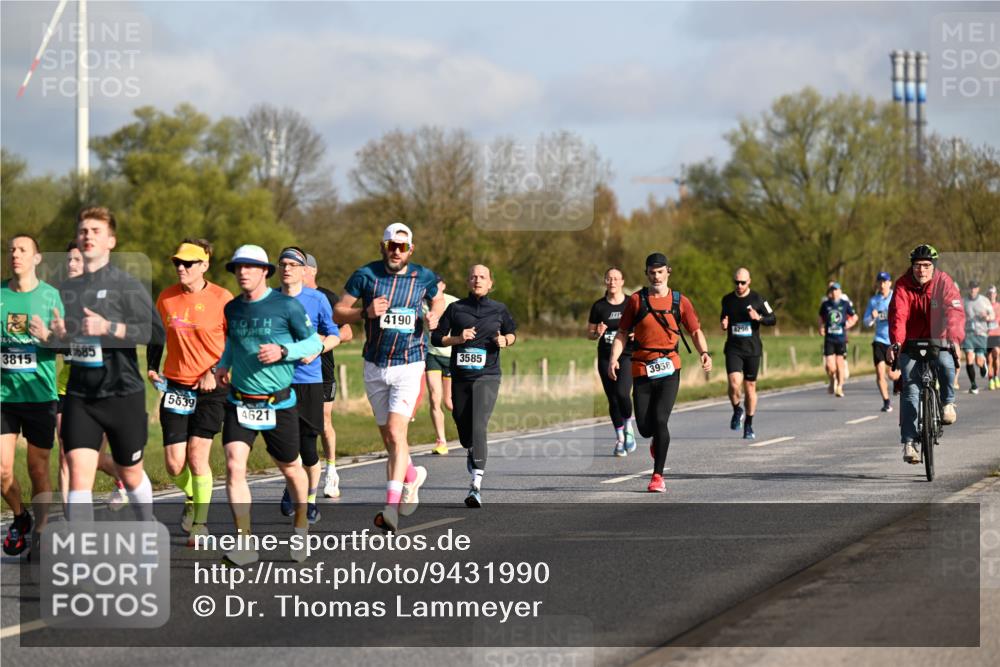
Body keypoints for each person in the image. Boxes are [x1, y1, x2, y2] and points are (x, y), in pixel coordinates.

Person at [52, 207, 165, 522]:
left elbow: (154, 333)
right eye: (83, 231)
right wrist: (57, 336)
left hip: (122, 393)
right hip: (80, 395)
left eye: (96, 231)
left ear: (111, 241)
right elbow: (71, 341)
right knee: (78, 473)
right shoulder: (68, 290)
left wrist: (110, 328)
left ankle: (147, 524)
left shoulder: (126, 284)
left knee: (130, 474)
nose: (88, 236)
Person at [212, 245, 322, 565]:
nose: (242, 272)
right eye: (237, 268)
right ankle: (245, 543)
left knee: (291, 468)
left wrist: (283, 351)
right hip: (240, 400)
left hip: (279, 402)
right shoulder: (232, 308)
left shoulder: (285, 306)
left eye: (249, 267)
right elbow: (233, 341)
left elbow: (313, 342)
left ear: (264, 272)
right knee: (234, 465)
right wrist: (223, 364)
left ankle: (300, 529)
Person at [333, 223, 443, 532]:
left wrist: (434, 313)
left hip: (410, 362)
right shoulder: (365, 275)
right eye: (392, 245)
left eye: (402, 246)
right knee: (391, 440)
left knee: (396, 433)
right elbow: (338, 312)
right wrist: (364, 313)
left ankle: (390, 509)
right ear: (383, 246)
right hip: (375, 364)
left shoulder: (423, 275)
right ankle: (412, 476)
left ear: (411, 249)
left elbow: (438, 295)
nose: (397, 251)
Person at [146, 239, 233, 544]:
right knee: (173, 464)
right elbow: (157, 336)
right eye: (177, 263)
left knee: (197, 457)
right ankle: (195, 495)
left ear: (204, 265)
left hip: (211, 388)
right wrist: (152, 366)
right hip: (176, 386)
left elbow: (235, 342)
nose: (181, 268)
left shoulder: (223, 298)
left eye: (188, 263)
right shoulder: (167, 298)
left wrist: (213, 371)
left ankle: (200, 522)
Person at [609, 253, 712, 493]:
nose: (656, 276)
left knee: (661, 420)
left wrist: (704, 353)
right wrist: (613, 358)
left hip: (669, 367)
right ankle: (656, 440)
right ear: (646, 274)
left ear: (668, 272)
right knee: (645, 427)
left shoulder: (680, 302)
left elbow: (695, 331)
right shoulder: (636, 300)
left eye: (660, 272)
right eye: (652, 272)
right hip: (642, 368)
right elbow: (622, 332)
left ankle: (657, 476)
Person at [431, 264, 516, 507]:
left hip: (488, 376)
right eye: (474, 277)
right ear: (468, 282)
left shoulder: (500, 309)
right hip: (461, 376)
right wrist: (458, 338)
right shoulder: (456, 308)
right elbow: (437, 337)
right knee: (461, 419)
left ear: (491, 283)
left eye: (483, 277)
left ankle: (475, 484)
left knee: (479, 424)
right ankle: (470, 447)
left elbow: (512, 333)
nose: (478, 280)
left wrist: (504, 340)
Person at [2, 234, 63, 556]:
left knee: (38, 469)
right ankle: (20, 516)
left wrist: (48, 336)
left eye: (23, 250)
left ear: (37, 258)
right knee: (2, 470)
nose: (15, 254)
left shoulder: (51, 296)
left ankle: (41, 529)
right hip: (4, 396)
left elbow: (67, 343)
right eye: (11, 249)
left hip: (39, 394)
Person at [55, 240, 126, 510]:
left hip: (102, 388)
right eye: (69, 260)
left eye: (77, 260)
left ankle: (124, 479)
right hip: (67, 387)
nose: (72, 265)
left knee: (91, 457)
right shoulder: (59, 297)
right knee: (65, 456)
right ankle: (69, 520)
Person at [277, 247, 340, 524]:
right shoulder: (269, 300)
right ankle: (293, 485)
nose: (287, 269)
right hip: (277, 382)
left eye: (293, 264)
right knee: (283, 446)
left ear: (304, 270)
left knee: (308, 448)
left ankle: (310, 500)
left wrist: (317, 349)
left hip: (309, 381)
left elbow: (335, 334)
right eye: (283, 264)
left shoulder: (318, 299)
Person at [886, 244, 965, 464]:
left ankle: (948, 402)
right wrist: (897, 343)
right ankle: (909, 443)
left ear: (934, 267)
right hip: (910, 342)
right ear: (912, 267)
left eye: (926, 266)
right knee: (910, 389)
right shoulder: (902, 285)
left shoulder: (944, 282)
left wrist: (954, 339)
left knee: (946, 363)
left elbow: (955, 312)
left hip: (938, 339)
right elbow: (898, 316)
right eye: (917, 266)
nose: (921, 270)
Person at [303, 254, 353, 499]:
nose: (293, 271)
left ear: (312, 270)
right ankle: (300, 474)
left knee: (322, 421)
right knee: (294, 425)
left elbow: (347, 332)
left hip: (322, 369)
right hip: (293, 372)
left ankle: (331, 470)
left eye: (299, 267)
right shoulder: (285, 298)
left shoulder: (326, 297)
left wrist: (321, 342)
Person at [719, 267, 776, 440]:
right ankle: (737, 409)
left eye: (742, 282)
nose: (739, 285)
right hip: (734, 348)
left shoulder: (758, 299)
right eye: (736, 282)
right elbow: (724, 318)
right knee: (734, 383)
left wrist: (758, 318)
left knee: (750, 387)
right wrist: (723, 323)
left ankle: (749, 424)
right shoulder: (727, 300)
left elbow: (773, 319)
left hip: (752, 350)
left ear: (749, 281)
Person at [587, 267, 637, 456]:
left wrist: (635, 333)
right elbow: (589, 334)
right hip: (606, 356)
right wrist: (597, 333)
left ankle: (628, 427)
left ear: (622, 282)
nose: (612, 282)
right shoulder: (599, 306)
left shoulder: (631, 304)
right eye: (609, 279)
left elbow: (642, 327)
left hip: (626, 355)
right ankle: (620, 439)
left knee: (623, 393)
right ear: (605, 282)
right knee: (613, 398)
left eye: (616, 279)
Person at [424, 274, 459, 455]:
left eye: (436, 285)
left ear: (443, 286)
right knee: (434, 398)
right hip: (432, 354)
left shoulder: (455, 303)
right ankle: (441, 441)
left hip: (451, 354)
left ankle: (468, 425)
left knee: (449, 403)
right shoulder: (421, 303)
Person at [863, 272, 902, 412]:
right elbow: (866, 322)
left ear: (890, 283)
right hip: (879, 340)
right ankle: (886, 402)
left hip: (893, 339)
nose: (882, 284)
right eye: (880, 282)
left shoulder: (896, 297)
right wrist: (872, 318)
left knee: (892, 375)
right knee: (880, 373)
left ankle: (899, 378)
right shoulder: (873, 301)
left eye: (885, 282)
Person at [818, 282, 858, 398]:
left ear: (840, 292)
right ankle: (832, 381)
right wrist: (820, 327)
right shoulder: (825, 304)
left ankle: (839, 387)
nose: (834, 292)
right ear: (830, 292)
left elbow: (855, 316)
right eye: (832, 290)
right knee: (830, 366)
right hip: (829, 338)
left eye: (836, 290)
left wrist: (849, 324)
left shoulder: (845, 304)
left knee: (840, 364)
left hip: (841, 339)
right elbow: (820, 317)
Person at [961, 280, 994, 394]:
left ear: (978, 289)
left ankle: (982, 365)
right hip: (968, 333)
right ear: (969, 289)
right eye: (971, 288)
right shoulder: (963, 301)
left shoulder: (984, 301)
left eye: (975, 288)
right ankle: (973, 385)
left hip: (981, 334)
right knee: (969, 357)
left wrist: (987, 317)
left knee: (978, 361)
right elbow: (958, 314)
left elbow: (992, 315)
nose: (972, 290)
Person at [986, 285, 1000, 391]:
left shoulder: (999, 306)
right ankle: (991, 379)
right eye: (990, 293)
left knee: (996, 354)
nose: (991, 295)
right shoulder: (984, 306)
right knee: (989, 359)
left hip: (997, 335)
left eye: (993, 293)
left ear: (996, 294)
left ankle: (996, 376)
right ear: (987, 295)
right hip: (986, 336)